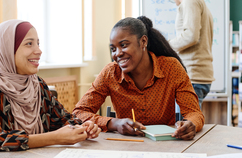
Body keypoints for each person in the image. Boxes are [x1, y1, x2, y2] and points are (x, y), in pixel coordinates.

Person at [0, 19, 101, 158]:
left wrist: (84, 127)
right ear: (7, 49)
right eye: (29, 43)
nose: (38, 50)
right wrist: (53, 138)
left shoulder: (36, 84)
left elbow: (63, 119)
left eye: (38, 43)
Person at [73, 16, 204, 140]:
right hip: (127, 146)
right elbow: (79, 113)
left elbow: (194, 113)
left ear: (143, 42)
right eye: (113, 49)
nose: (117, 54)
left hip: (165, 144)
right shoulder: (110, 73)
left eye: (124, 45)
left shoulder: (171, 68)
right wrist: (114, 123)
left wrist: (191, 123)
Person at [169, 0, 214, 109]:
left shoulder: (190, 1)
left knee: (187, 124)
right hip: (196, 76)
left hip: (193, 76)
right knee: (188, 123)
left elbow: (190, 36)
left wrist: (166, 46)